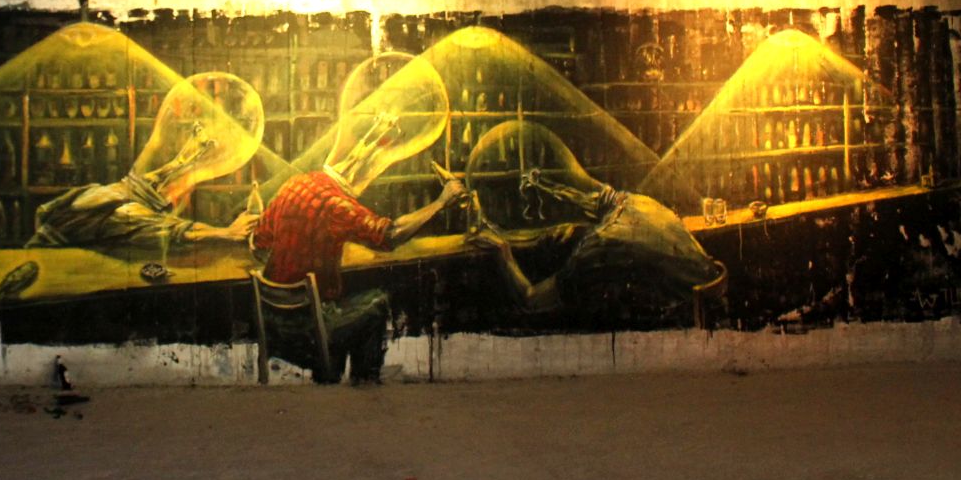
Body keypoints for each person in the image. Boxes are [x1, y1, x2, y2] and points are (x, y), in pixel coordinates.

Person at [257, 112, 467, 383]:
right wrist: (442, 202)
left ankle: (331, 378)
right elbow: (390, 235)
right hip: (310, 329)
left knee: (350, 303)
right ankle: (363, 386)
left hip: (274, 324)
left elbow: (259, 240)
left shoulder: (294, 184)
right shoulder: (337, 205)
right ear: (359, 170)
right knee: (376, 304)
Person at [0, 123, 258, 296]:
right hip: (49, 269)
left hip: (45, 251)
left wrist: (188, 153)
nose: (179, 196)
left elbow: (158, 177)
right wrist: (227, 233)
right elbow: (179, 230)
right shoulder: (126, 213)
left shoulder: (107, 192)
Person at [470, 169, 726, 320]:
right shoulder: (638, 202)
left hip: (682, 326)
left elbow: (531, 300)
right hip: (711, 298)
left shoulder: (598, 246)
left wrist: (504, 253)